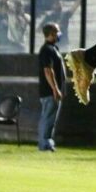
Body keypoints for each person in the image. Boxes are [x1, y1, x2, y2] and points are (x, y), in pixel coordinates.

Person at [38, 23, 66, 152]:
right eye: (57, 31)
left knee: (48, 118)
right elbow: (48, 71)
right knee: (48, 119)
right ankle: (45, 144)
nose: (59, 33)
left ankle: (45, 143)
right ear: (51, 34)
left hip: (51, 91)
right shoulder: (47, 50)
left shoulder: (53, 48)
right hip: (50, 92)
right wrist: (55, 89)